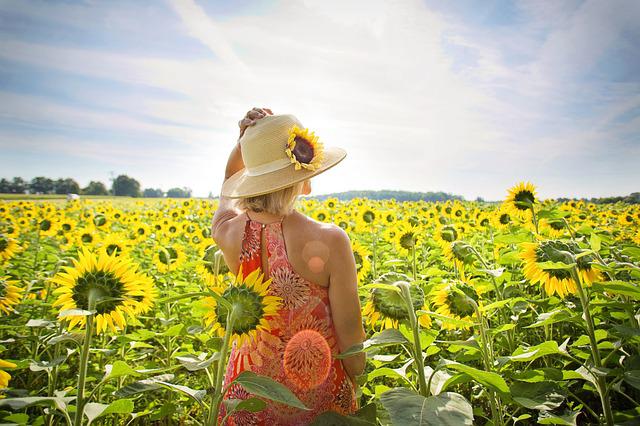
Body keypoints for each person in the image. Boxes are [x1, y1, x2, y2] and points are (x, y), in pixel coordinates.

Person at [211, 107, 366, 425]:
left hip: (248, 394)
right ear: (303, 179)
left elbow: (227, 189)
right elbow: (350, 332)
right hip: (315, 393)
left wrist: (244, 145)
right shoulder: (331, 239)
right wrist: (358, 383)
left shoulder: (228, 232)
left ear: (250, 179)